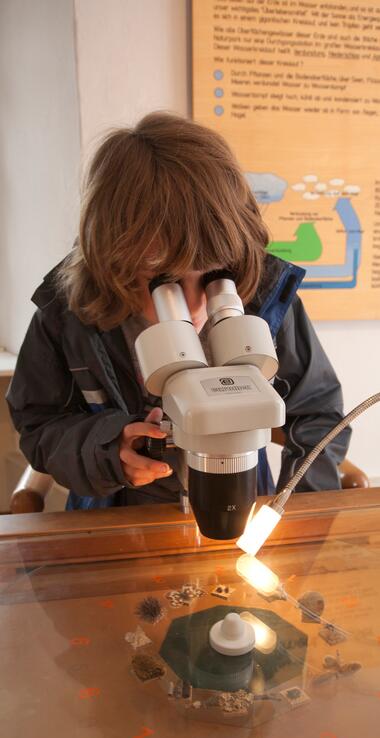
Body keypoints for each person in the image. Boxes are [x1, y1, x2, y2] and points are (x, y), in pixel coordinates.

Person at [6, 112, 351, 511]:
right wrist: (108, 448)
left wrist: (297, 513)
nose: (193, 306)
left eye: (214, 277)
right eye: (164, 282)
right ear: (112, 259)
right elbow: (38, 423)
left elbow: (318, 413)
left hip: (242, 498)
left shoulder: (265, 298)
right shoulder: (68, 313)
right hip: (116, 513)